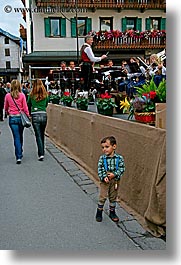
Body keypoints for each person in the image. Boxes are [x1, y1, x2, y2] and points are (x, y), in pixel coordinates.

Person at [95, 136, 125, 222]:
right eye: (103, 147)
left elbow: (122, 169)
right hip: (105, 181)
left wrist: (114, 174)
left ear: (114, 147)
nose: (104, 149)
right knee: (103, 196)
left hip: (115, 181)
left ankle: (112, 212)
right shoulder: (102, 158)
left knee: (113, 197)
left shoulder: (119, 159)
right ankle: (99, 211)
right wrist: (104, 176)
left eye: (107, 147)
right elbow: (100, 169)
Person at [4, 79, 30, 164]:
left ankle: (18, 156)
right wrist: (28, 116)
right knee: (20, 135)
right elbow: (25, 107)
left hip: (12, 118)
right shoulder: (22, 95)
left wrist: (8, 112)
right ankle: (20, 150)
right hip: (20, 117)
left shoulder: (8, 96)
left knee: (16, 137)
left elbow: (6, 107)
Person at [27, 79, 49, 161]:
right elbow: (46, 104)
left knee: (38, 135)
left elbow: (28, 104)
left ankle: (41, 153)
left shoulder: (31, 95)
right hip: (43, 114)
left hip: (35, 114)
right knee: (42, 133)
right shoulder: (45, 95)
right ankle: (43, 148)